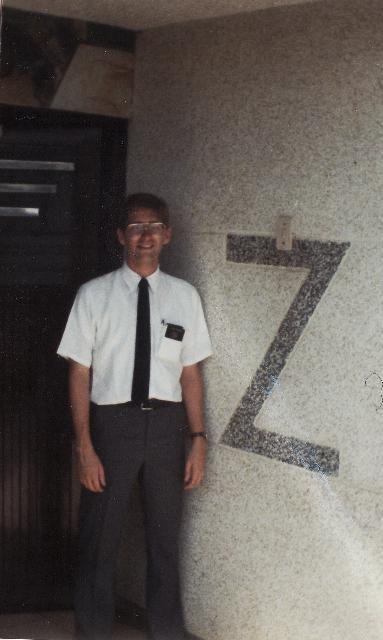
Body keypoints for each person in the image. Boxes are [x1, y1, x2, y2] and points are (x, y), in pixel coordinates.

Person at [57, 193, 212, 640]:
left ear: (168, 235)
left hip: (166, 428)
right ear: (121, 236)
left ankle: (166, 632)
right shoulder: (94, 295)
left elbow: (190, 373)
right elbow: (79, 372)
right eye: (136, 227)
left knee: (164, 542)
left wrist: (198, 439)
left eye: (154, 227)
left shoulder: (184, 296)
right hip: (112, 427)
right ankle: (92, 633)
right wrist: (85, 447)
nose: (146, 236)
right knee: (99, 541)